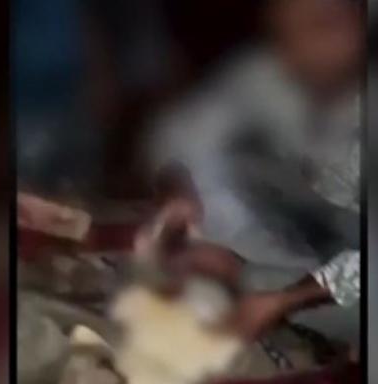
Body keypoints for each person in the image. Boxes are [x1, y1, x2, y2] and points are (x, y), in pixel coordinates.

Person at [145, 0, 363, 344]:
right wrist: (180, 194)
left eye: (320, 29)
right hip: (301, 240)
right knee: (213, 182)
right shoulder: (274, 74)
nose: (299, 53)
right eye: (285, 37)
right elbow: (181, 135)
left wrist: (286, 300)